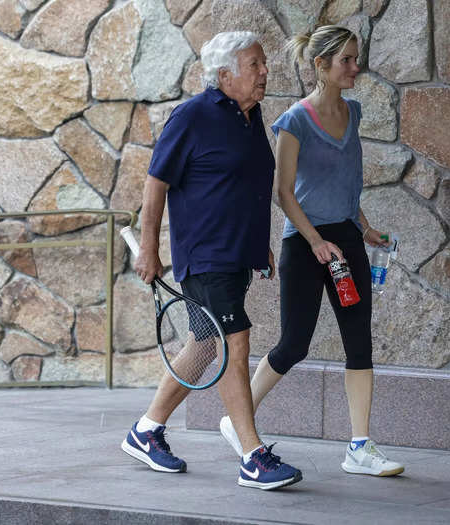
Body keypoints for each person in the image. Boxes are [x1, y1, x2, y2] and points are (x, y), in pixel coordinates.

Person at [219, 25, 404, 477]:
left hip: (348, 240)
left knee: (359, 342)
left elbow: (342, 183)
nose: (355, 67)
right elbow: (283, 192)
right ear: (321, 65)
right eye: (346, 60)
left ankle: (360, 447)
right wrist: (316, 241)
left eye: (356, 59)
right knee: (293, 344)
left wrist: (365, 227)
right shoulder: (295, 121)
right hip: (303, 243)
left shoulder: (354, 113)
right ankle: (236, 419)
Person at [120, 31, 302, 491]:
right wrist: (148, 248)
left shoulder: (249, 115)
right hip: (205, 254)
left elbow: (249, 183)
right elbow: (156, 182)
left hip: (236, 253)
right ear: (224, 75)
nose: (265, 72)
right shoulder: (192, 116)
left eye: (263, 63)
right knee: (234, 342)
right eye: (255, 65)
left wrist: (257, 242)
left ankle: (146, 431)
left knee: (204, 345)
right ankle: (252, 456)